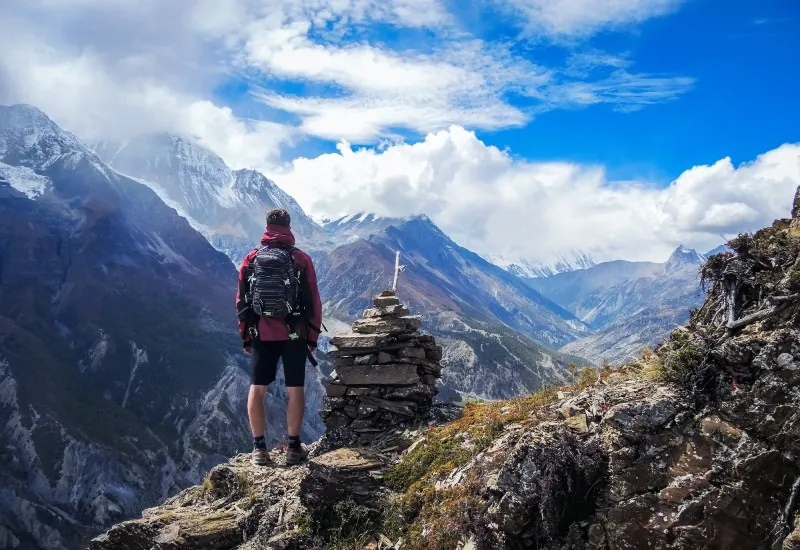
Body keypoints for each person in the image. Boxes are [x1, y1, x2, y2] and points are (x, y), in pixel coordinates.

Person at [236, 208, 322, 465]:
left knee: (258, 388)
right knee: (295, 389)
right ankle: (293, 447)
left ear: (267, 226)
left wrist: (246, 336)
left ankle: (259, 449)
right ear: (289, 225)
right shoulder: (301, 259)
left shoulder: (251, 259)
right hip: (294, 333)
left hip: (261, 332)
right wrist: (312, 337)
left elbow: (241, 301)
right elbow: (314, 301)